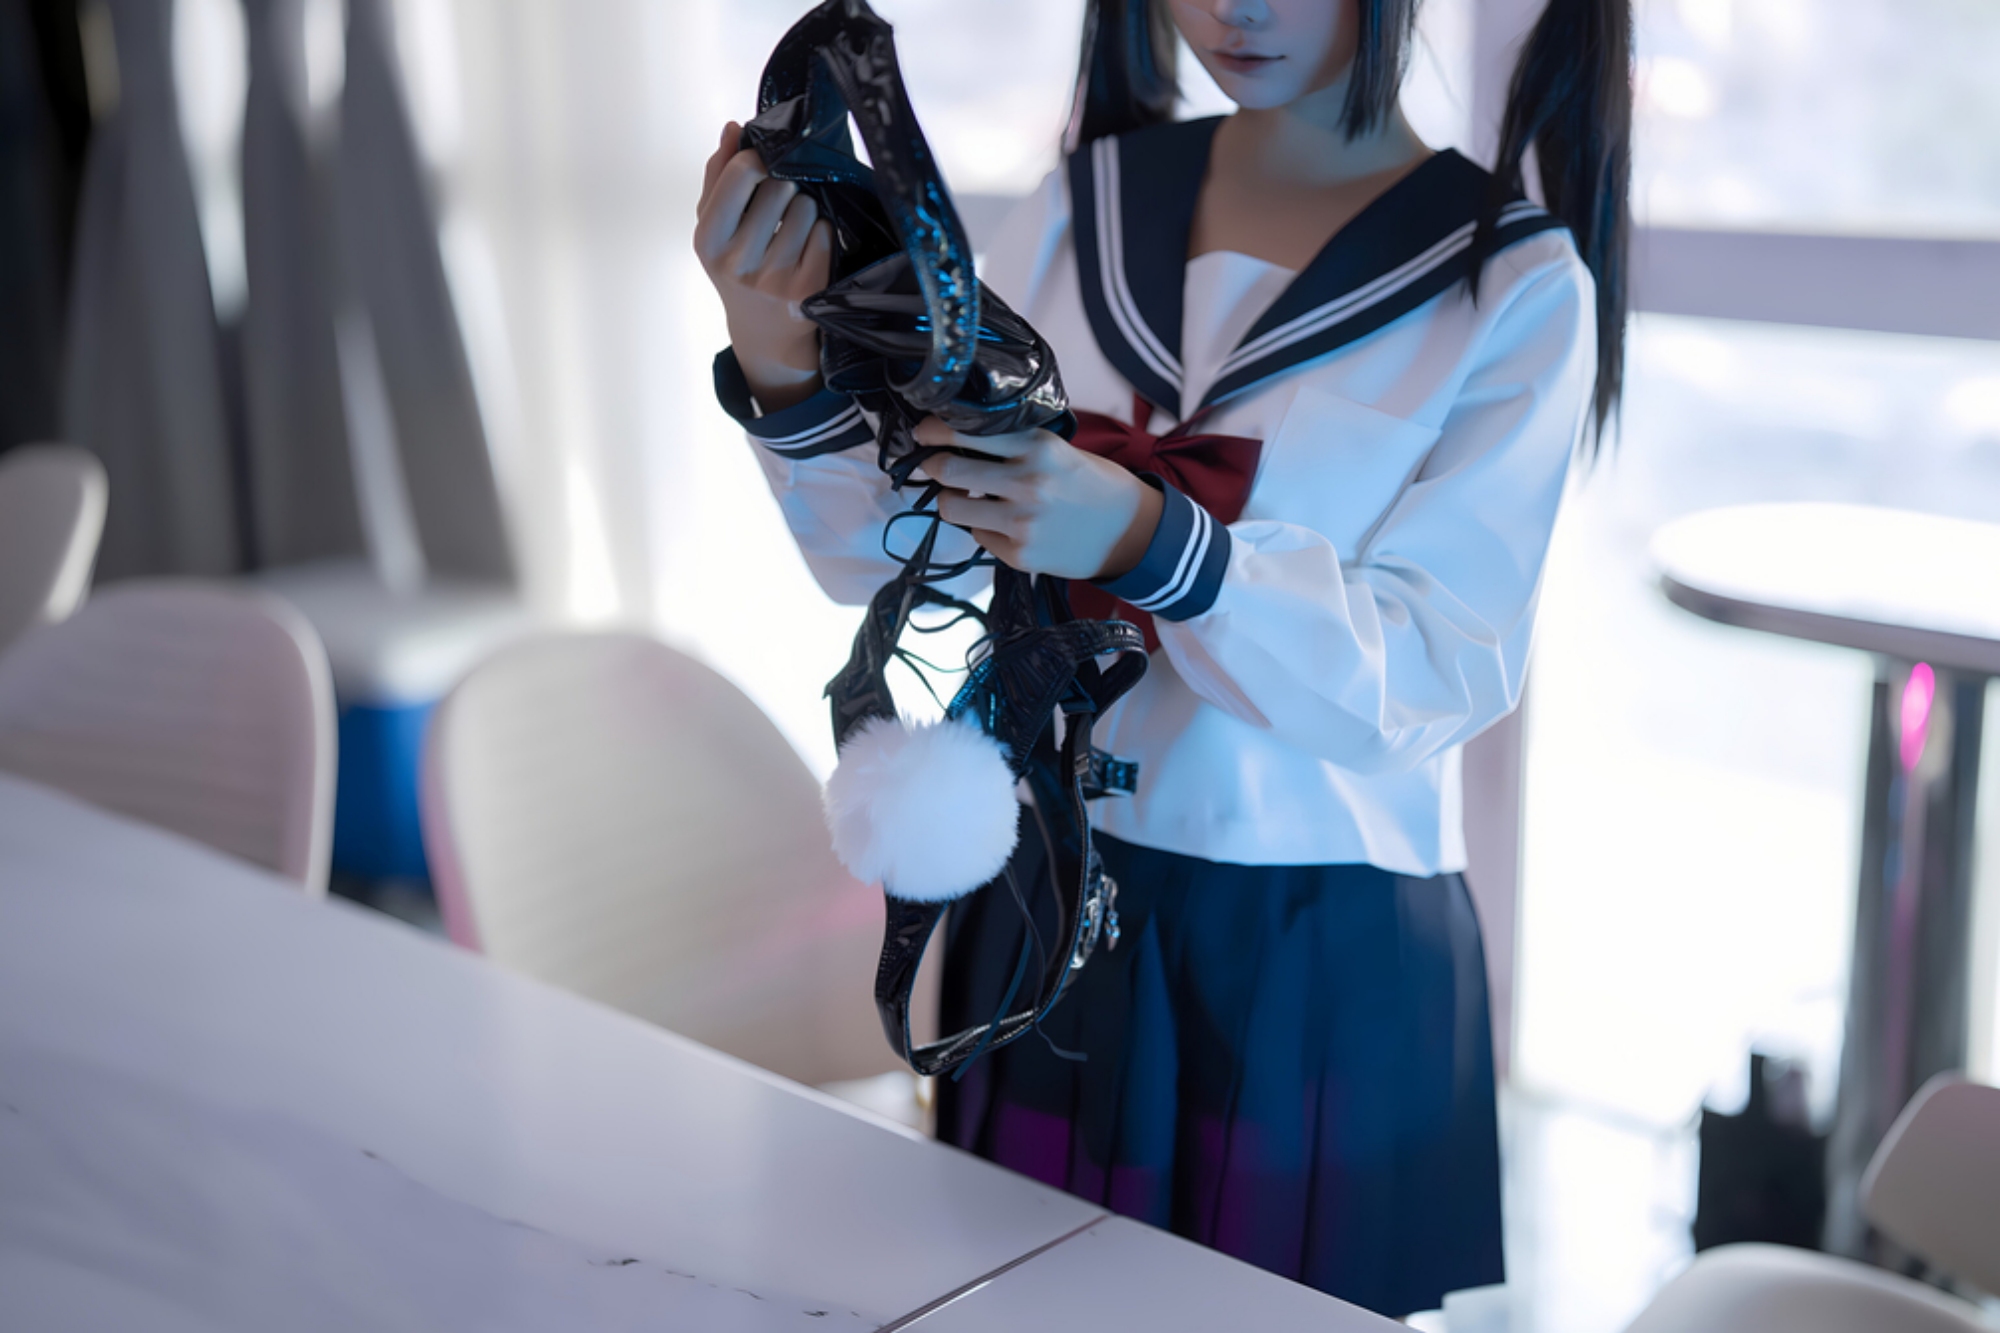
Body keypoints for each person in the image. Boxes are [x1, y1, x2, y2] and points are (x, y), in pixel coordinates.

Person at [694, 0, 1630, 1316]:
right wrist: (777, 350)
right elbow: (899, 558)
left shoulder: (1512, 285)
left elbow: (1431, 671)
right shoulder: (1083, 207)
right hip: (1038, 902)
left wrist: (1154, 541)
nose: (1234, 7)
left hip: (1306, 948)